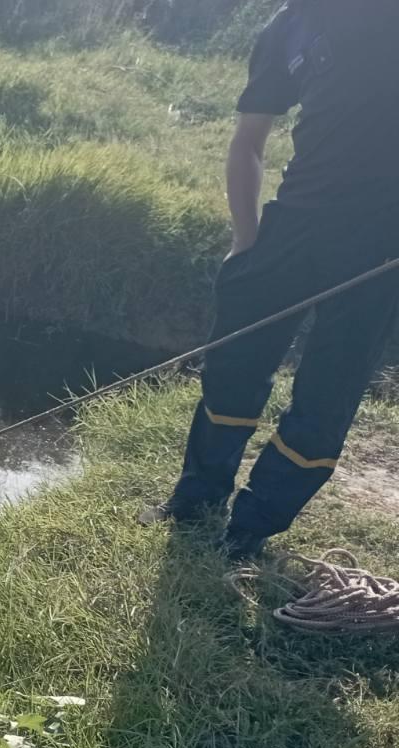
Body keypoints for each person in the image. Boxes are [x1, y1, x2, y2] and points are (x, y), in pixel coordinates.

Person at [141, 0, 399, 561]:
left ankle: (252, 528)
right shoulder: (291, 24)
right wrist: (245, 238)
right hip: (291, 229)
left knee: (326, 400)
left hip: (383, 252)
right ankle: (196, 500)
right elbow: (248, 142)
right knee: (233, 369)